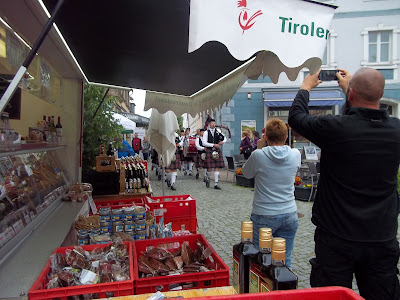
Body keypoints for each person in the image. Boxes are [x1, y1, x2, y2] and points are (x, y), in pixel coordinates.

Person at [288, 68, 400, 300]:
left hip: (336, 237)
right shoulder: (396, 130)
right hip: (380, 236)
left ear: (350, 96)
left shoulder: (335, 128)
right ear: (381, 95)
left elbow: (296, 118)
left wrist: (306, 87)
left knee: (331, 296)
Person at [242, 118, 301, 268]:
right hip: (289, 212)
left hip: (264, 213)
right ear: (286, 137)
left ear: (266, 137)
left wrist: (259, 148)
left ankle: (263, 288)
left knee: (259, 257)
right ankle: (285, 287)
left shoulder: (258, 155)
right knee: (284, 258)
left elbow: (246, 173)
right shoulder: (295, 154)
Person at [202, 118, 226, 190]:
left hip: (217, 151)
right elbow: (204, 143)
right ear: (209, 124)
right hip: (210, 150)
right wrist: (213, 145)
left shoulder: (218, 131)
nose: (213, 124)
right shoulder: (206, 132)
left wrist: (222, 142)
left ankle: (216, 183)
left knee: (217, 167)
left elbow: (224, 138)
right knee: (209, 168)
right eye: (212, 123)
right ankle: (208, 178)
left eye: (214, 123)